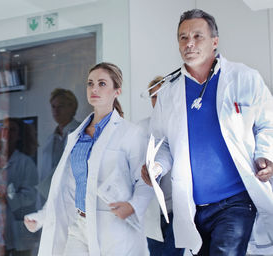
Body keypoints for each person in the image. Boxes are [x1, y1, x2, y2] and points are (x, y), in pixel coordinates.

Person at [141, 9, 273, 256]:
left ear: (214, 41)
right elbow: (161, 142)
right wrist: (156, 166)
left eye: (197, 36)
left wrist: (266, 153)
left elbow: (268, 123)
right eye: (182, 37)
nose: (189, 43)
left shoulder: (244, 78)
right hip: (194, 206)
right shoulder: (168, 93)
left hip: (236, 201)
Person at [24, 62, 153, 255]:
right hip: (79, 224)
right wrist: (41, 217)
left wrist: (133, 206)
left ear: (116, 91)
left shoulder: (131, 133)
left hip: (111, 225)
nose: (94, 88)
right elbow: (66, 186)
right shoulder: (76, 136)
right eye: (90, 83)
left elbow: (145, 180)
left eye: (102, 84)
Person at [139, 77, 183, 256]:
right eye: (153, 96)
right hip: (153, 212)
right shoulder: (140, 129)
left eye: (161, 95)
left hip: (177, 208)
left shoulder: (181, 125)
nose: (157, 101)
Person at [0, 117, 40, 256]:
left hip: (18, 231)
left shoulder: (26, 162)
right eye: (4, 128)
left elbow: (31, 196)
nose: (7, 132)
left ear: (19, 136)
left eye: (12, 130)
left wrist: (8, 197)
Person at [38, 88, 80, 204]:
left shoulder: (82, 131)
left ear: (72, 108)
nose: (56, 111)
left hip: (73, 196)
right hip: (52, 198)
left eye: (60, 106)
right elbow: (44, 175)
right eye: (53, 107)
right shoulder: (50, 140)